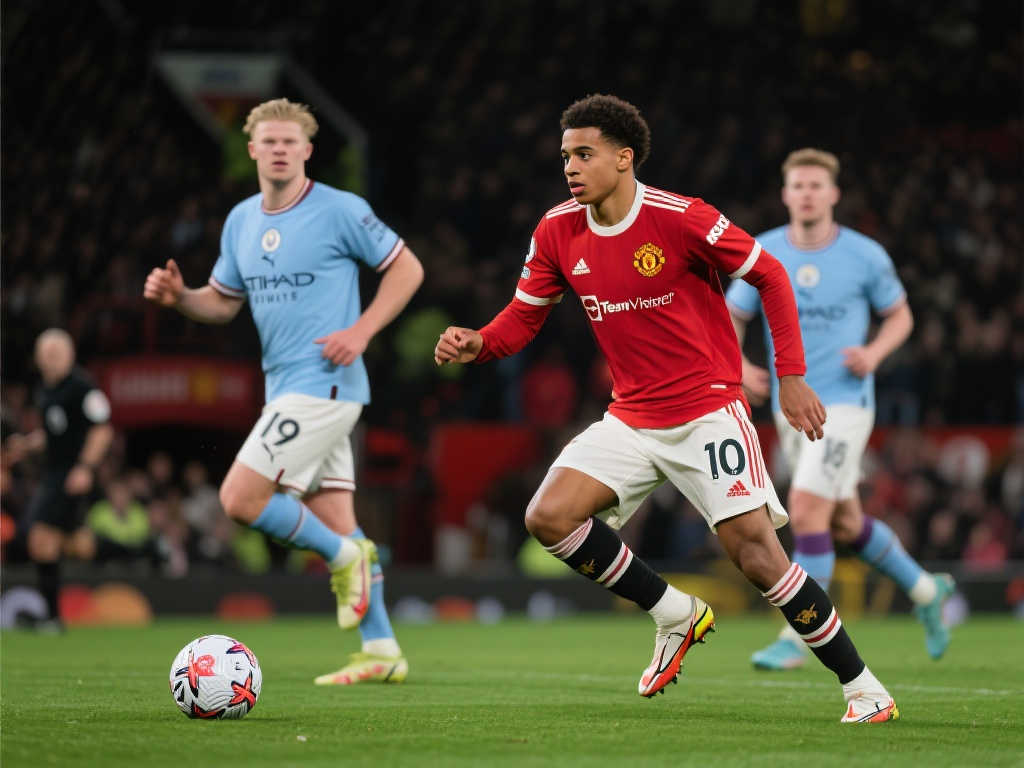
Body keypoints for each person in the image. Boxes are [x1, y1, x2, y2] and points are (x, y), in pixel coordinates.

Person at [434, 95, 898, 723]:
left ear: (624, 158)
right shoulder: (556, 230)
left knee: (759, 558)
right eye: (566, 156)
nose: (570, 167)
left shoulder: (681, 218)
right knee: (549, 517)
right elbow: (523, 318)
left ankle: (864, 687)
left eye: (584, 154)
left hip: (707, 411)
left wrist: (791, 377)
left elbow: (771, 275)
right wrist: (480, 342)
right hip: (631, 417)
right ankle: (674, 612)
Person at [144, 98, 423, 685]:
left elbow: (407, 269)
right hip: (286, 389)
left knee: (240, 499)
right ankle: (382, 649)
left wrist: (361, 331)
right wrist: (181, 297)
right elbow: (222, 302)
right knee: (336, 517)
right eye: (268, 141)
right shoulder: (242, 220)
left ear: (307, 150)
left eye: (289, 142)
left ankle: (344, 560)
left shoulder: (340, 209)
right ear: (252, 150)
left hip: (325, 384)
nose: (278, 150)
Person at [725, 148, 955, 669]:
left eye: (816, 185)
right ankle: (926, 590)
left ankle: (797, 635)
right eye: (798, 186)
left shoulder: (864, 255)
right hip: (790, 406)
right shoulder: (764, 252)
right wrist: (738, 364)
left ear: (833, 194)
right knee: (845, 522)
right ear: (785, 195)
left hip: (846, 405)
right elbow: (731, 315)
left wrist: (874, 353)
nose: (807, 194)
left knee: (806, 509)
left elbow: (901, 315)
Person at [4, 329, 114, 631]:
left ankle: (51, 618)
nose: (51, 359)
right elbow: (56, 433)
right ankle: (138, 549)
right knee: (76, 544)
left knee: (40, 537)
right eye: (46, 354)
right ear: (38, 358)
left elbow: (102, 430)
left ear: (70, 355)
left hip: (71, 475)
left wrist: (85, 468)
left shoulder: (82, 387)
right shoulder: (45, 390)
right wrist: (28, 445)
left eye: (57, 353)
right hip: (54, 474)